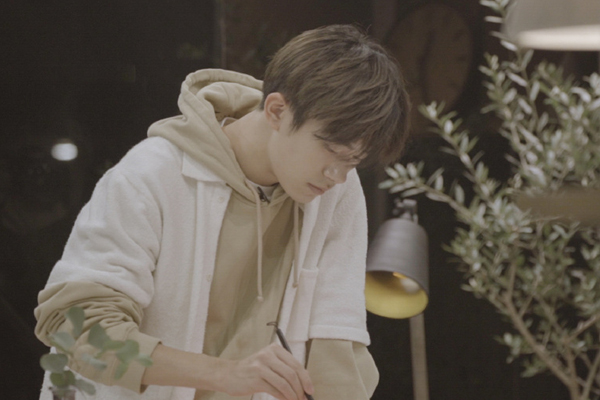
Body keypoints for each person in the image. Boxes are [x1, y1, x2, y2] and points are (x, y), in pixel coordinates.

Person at [34, 24, 410, 400]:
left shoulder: (335, 190)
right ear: (277, 111)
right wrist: (222, 374)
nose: (338, 175)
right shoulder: (151, 175)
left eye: (354, 161)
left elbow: (335, 340)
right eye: (333, 151)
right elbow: (76, 328)